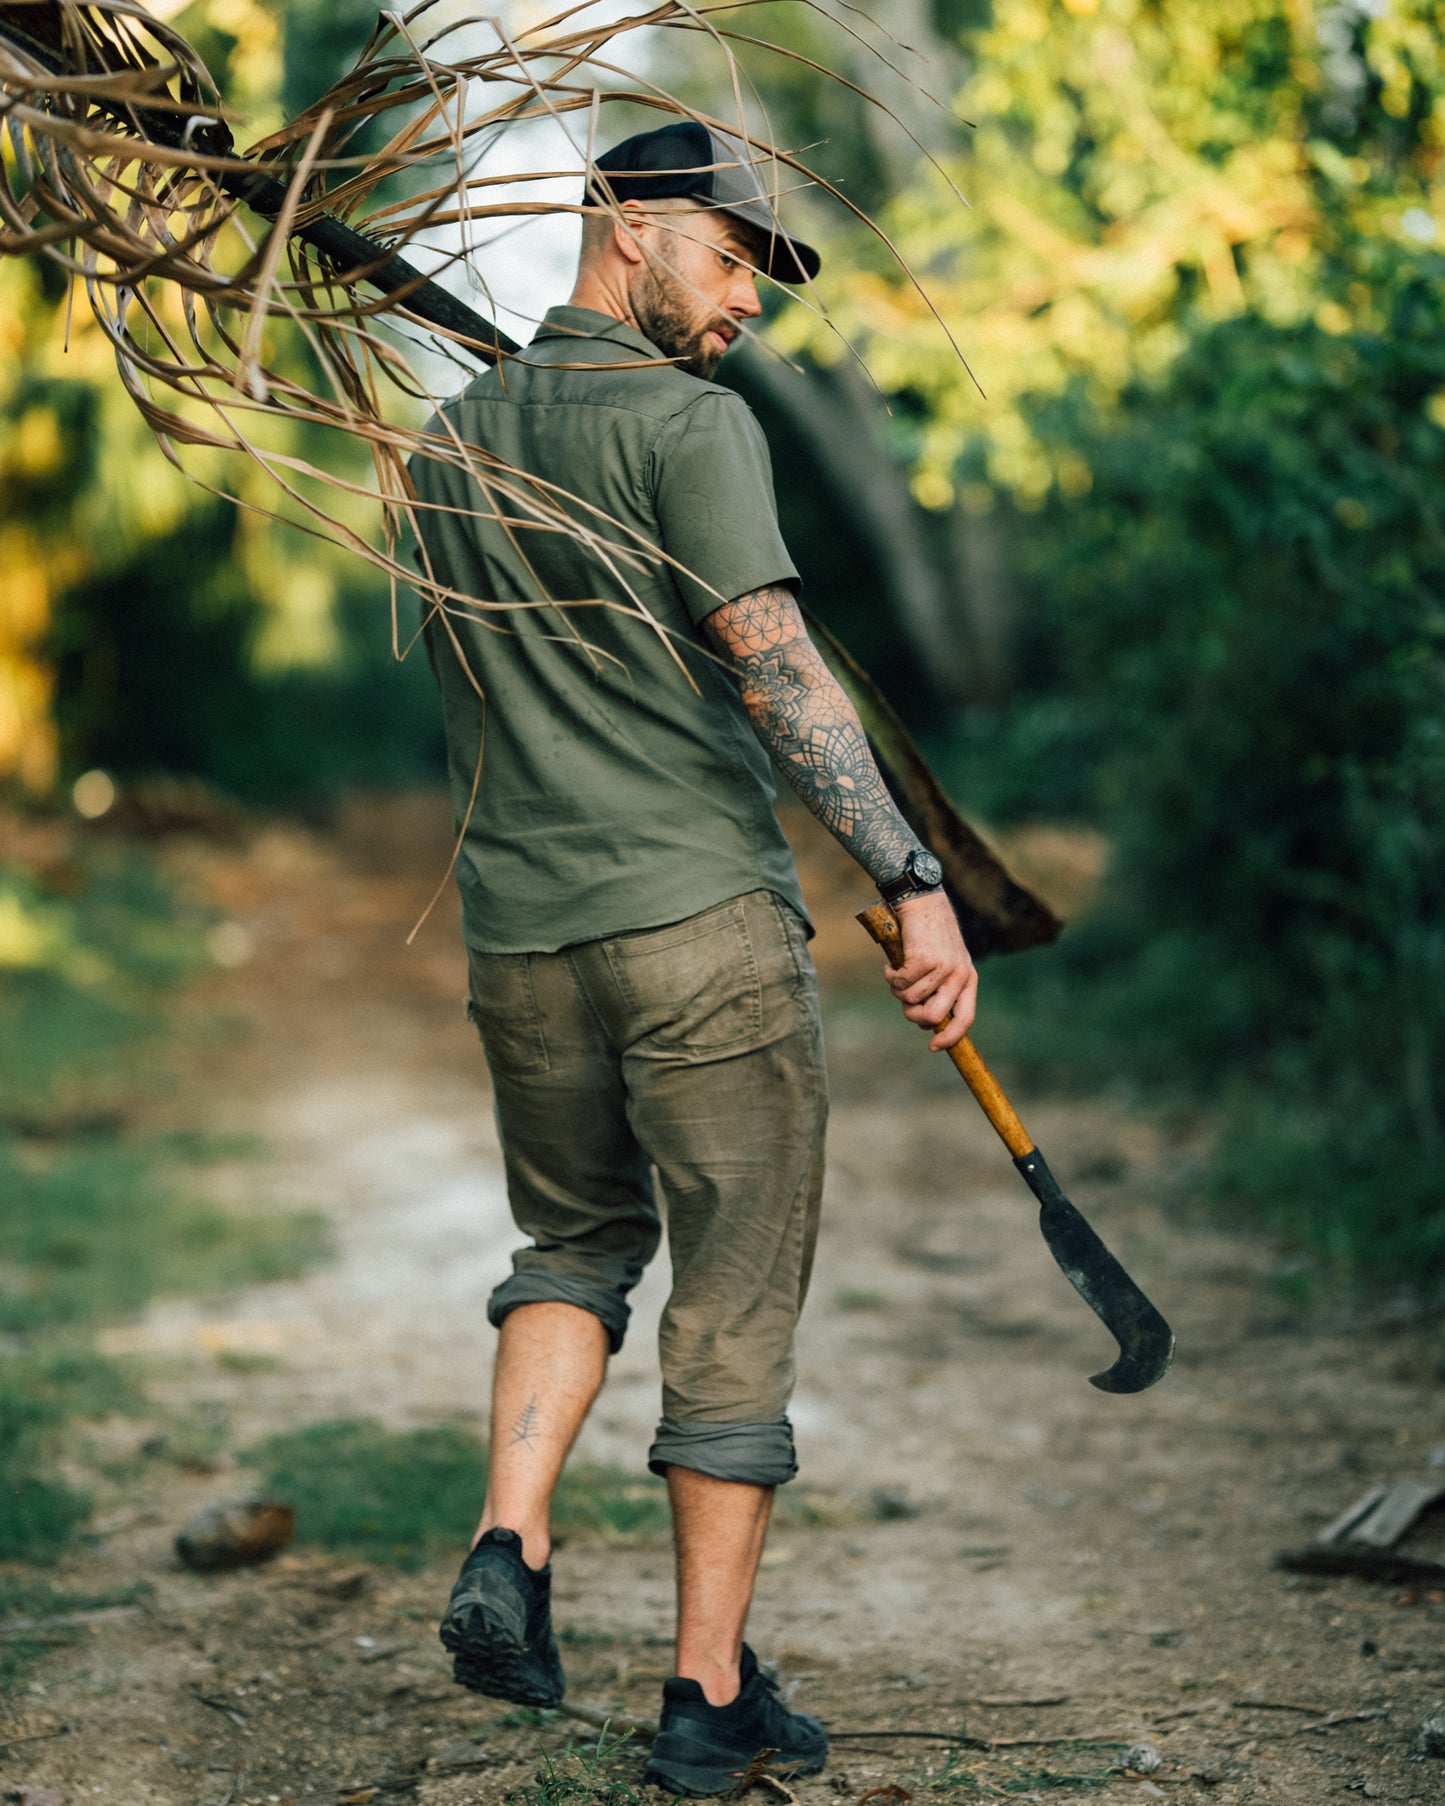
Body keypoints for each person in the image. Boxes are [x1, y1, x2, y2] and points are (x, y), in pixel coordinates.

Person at [407, 119, 976, 1796]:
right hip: (698, 932)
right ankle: (703, 1688)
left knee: (573, 1240)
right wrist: (910, 872)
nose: (743, 304)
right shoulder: (688, 424)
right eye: (726, 258)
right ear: (625, 226)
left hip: (521, 931)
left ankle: (510, 1543)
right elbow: (774, 664)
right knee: (731, 1293)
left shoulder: (451, 442)